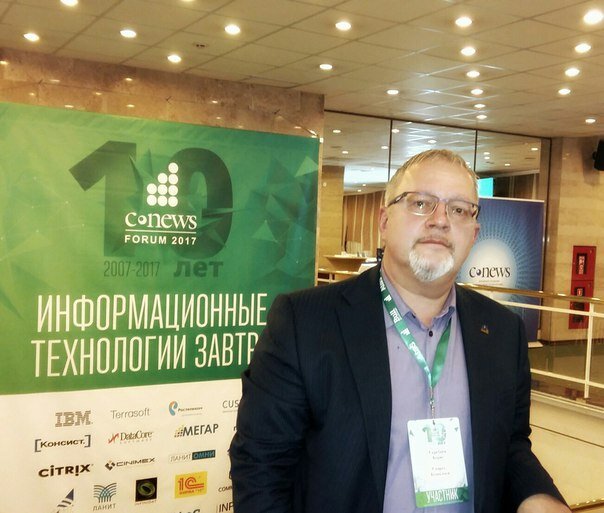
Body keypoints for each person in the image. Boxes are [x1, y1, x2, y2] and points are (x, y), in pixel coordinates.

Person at [229, 149, 569, 513]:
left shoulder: (503, 332)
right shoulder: (305, 323)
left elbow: (510, 444)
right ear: (384, 220)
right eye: (421, 203)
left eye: (459, 210)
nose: (440, 220)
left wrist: (540, 497)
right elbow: (260, 467)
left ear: (474, 233)